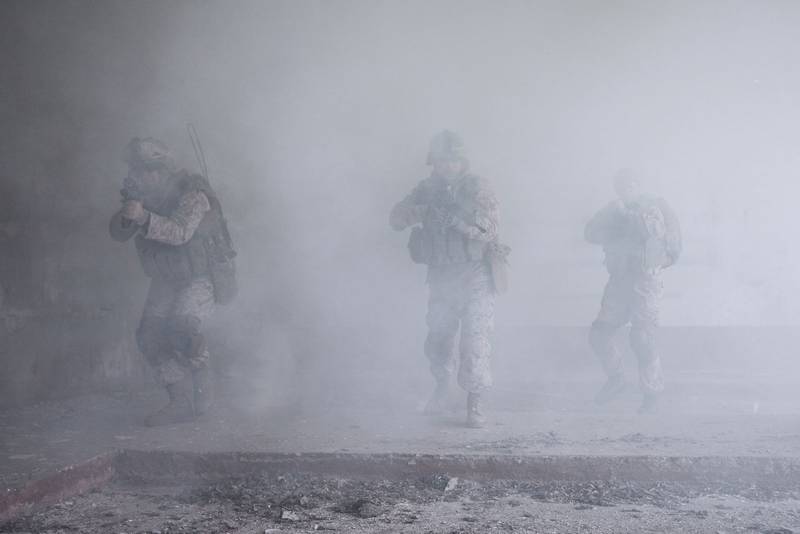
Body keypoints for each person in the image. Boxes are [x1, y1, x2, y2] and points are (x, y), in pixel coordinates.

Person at [109, 137, 235, 426]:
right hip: (167, 277)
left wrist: (143, 217)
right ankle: (179, 400)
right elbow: (118, 232)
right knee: (149, 335)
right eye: (135, 170)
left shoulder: (193, 192)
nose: (137, 176)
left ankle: (202, 380)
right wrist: (128, 215)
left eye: (142, 170)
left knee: (182, 328)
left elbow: (180, 232)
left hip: (200, 275)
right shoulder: (146, 195)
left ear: (160, 171)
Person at [390, 130, 508, 428]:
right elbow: (396, 218)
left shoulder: (478, 187)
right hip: (442, 277)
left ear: (462, 162)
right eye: (442, 161)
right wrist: (423, 212)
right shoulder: (426, 189)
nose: (448, 166)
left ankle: (475, 401)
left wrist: (456, 222)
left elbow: (491, 228)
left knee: (475, 342)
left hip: (476, 275)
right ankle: (442, 388)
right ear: (434, 162)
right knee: (438, 339)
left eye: (453, 160)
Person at [585, 169, 681, 413]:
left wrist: (654, 263)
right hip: (620, 280)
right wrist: (615, 223)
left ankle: (652, 392)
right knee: (599, 334)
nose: (626, 189)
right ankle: (617, 379)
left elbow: (673, 247)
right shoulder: (613, 209)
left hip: (645, 281)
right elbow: (590, 233)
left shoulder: (656, 206)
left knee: (641, 337)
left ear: (639, 185)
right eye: (621, 185)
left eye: (630, 184)